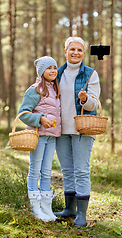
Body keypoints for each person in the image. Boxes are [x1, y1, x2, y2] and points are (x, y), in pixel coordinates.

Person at [55, 37, 101, 227]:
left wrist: (84, 99)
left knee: (81, 170)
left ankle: (81, 214)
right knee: (67, 170)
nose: (75, 53)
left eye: (79, 50)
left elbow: (94, 102)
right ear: (65, 51)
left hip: (83, 129)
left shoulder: (91, 74)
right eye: (71, 49)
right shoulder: (55, 73)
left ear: (84, 53)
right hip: (60, 129)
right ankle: (70, 208)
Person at [18, 56, 61, 222]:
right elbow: (23, 113)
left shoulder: (55, 89)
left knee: (47, 172)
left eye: (54, 67)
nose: (53, 71)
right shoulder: (35, 89)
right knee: (35, 170)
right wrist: (40, 118)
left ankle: (46, 208)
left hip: (51, 136)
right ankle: (35, 208)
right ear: (41, 71)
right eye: (49, 68)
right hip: (38, 136)